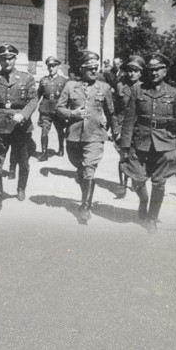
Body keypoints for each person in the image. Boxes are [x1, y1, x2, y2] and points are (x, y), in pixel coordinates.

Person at [120, 52, 176, 233]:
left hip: (165, 143)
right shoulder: (138, 90)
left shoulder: (174, 93)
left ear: (165, 71)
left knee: (159, 182)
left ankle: (152, 217)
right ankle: (143, 200)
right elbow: (128, 120)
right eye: (151, 70)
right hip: (140, 141)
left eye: (158, 69)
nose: (154, 73)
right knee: (136, 178)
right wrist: (124, 146)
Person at [56, 50, 117, 224]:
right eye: (89, 68)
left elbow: (111, 112)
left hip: (95, 134)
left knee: (90, 168)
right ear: (82, 69)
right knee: (79, 166)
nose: (93, 71)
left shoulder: (104, 88)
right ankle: (80, 174)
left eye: (95, 68)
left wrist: (115, 131)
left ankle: (85, 207)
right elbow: (59, 109)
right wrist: (72, 113)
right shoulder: (70, 86)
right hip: (74, 135)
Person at [0, 43, 38, 211]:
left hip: (20, 127)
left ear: (15, 59)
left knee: (23, 161)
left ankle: (21, 188)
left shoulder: (26, 78)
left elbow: (33, 100)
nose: (7, 61)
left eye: (10, 58)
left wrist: (24, 114)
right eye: (3, 58)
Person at [113, 55, 144, 198]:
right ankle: (122, 185)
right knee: (123, 156)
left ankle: (135, 181)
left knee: (137, 156)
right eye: (130, 70)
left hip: (139, 128)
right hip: (123, 127)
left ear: (141, 73)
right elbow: (115, 109)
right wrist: (114, 128)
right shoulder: (121, 86)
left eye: (136, 71)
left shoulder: (144, 88)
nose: (132, 73)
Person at [36, 55, 68, 160]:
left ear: (58, 66)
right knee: (44, 130)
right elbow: (38, 95)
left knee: (60, 130)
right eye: (49, 66)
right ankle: (44, 153)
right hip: (45, 109)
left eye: (53, 66)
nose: (51, 68)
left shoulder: (64, 81)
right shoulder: (43, 80)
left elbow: (67, 96)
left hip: (58, 108)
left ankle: (61, 148)